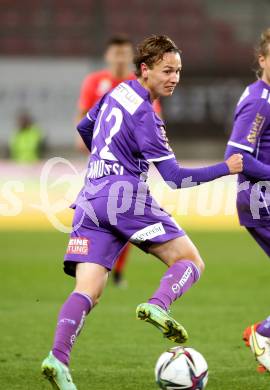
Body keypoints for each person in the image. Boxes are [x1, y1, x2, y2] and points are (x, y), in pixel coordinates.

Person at [41, 34, 243, 390]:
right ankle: (158, 304)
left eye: (178, 71)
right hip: (125, 198)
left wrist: (107, 157)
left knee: (88, 290)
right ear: (145, 69)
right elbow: (175, 178)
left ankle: (57, 358)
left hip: (90, 197)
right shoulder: (146, 117)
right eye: (167, 70)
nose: (174, 78)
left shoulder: (115, 92)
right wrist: (227, 167)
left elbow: (83, 128)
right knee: (191, 261)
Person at [76, 35, 162, 286]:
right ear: (108, 56)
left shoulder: (138, 84)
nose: (120, 57)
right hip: (100, 163)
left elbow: (153, 122)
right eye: (116, 53)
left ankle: (117, 269)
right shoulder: (94, 82)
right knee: (97, 214)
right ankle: (96, 265)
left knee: (124, 217)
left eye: (124, 53)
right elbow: (82, 117)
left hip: (129, 165)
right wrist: (89, 145)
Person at [225, 28, 270, 374]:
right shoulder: (258, 101)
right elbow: (237, 157)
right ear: (262, 59)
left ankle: (264, 336)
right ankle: (263, 334)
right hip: (259, 199)